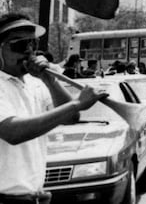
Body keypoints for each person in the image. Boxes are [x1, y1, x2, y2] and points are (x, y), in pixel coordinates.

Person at [0, 13, 107, 202]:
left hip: (33, 195)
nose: (28, 51)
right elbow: (12, 132)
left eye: (33, 44)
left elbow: (71, 118)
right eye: (19, 45)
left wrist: (50, 81)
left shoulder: (35, 83)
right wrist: (77, 103)